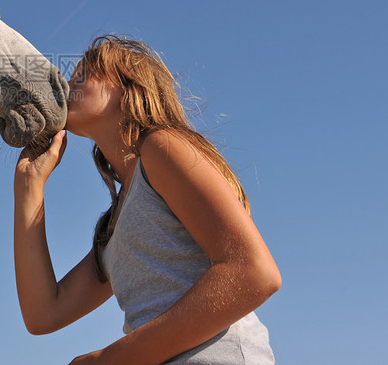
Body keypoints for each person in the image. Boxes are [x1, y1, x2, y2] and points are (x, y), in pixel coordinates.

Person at [14, 35, 281, 364]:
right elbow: (44, 313)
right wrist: (29, 186)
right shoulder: (116, 221)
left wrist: (108, 360)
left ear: (128, 86)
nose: (68, 84)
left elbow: (254, 273)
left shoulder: (161, 147)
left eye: (83, 73)